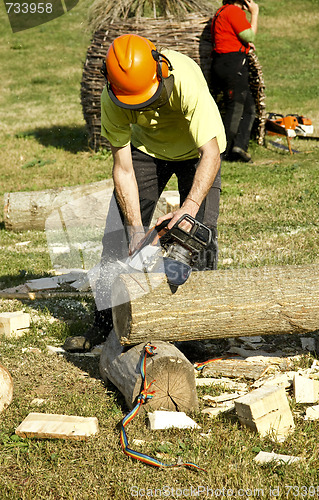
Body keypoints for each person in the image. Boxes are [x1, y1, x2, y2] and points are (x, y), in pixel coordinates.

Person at [63, 33, 226, 352]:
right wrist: (136, 231)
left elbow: (211, 153)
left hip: (197, 152)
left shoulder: (185, 80)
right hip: (146, 152)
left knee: (199, 236)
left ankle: (198, 333)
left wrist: (189, 209)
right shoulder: (112, 98)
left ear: (160, 72)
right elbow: (123, 168)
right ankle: (105, 323)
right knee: (116, 236)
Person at [210, 0, 259, 162]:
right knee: (236, 107)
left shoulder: (221, 12)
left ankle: (239, 147)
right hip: (233, 64)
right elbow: (250, 35)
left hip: (221, 63)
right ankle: (223, 151)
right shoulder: (234, 11)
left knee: (249, 107)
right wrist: (255, 13)